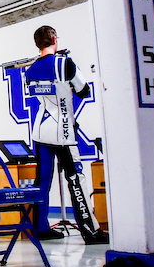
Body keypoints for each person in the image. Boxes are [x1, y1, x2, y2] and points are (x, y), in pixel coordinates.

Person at [22, 25, 108, 245]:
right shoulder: (64, 63)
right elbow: (83, 90)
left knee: (41, 180)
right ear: (54, 39)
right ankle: (90, 230)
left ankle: (40, 227)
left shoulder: (30, 70)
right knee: (75, 178)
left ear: (36, 43)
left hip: (40, 129)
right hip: (64, 130)